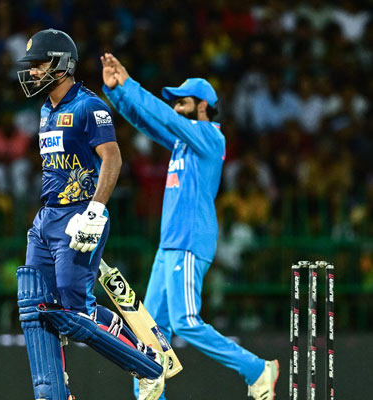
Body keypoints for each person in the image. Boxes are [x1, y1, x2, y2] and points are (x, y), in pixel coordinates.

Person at [100, 53, 279, 400]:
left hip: (189, 242)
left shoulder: (211, 138)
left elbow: (162, 116)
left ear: (203, 106)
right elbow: (148, 122)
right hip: (170, 244)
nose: (177, 107)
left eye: (183, 102)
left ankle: (257, 369)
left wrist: (129, 82)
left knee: (185, 322)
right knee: (148, 333)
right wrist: (116, 93)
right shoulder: (185, 142)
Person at [15, 29, 167, 400]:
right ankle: (52, 393)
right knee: (34, 305)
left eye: (40, 64)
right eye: (31, 66)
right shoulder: (46, 109)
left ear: (63, 64)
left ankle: (148, 365)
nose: (33, 72)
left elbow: (113, 158)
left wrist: (95, 213)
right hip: (47, 217)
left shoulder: (90, 106)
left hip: (81, 215)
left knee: (74, 309)